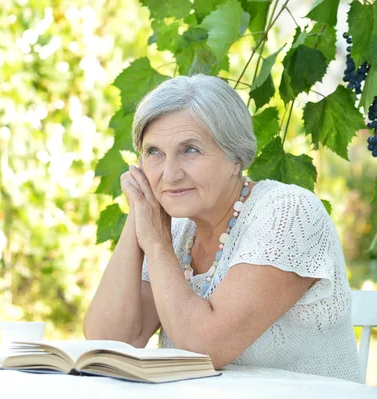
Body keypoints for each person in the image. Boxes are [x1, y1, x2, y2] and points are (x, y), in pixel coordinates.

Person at [83, 75, 363, 383]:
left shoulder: (289, 213)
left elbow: (205, 348)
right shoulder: (174, 231)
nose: (170, 174)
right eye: (154, 153)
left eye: (190, 150)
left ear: (236, 158)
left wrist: (156, 244)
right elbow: (107, 343)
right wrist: (139, 212)